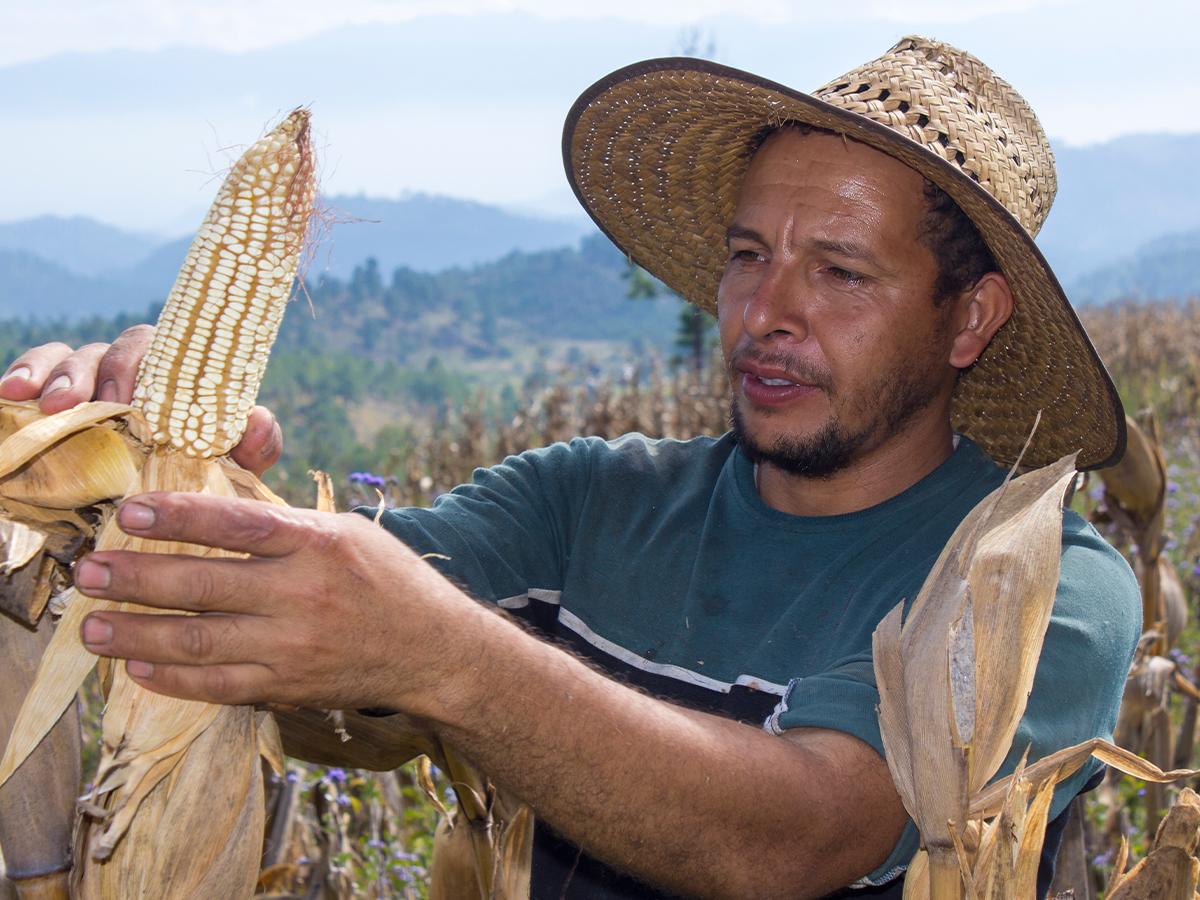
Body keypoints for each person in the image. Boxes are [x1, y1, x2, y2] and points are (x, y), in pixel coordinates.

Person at [0, 37, 1139, 898]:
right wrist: (150, 481)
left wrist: (445, 656)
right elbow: (305, 631)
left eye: (840, 272)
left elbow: (800, 837)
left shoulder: (1036, 583)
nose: (765, 312)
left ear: (970, 318)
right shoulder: (586, 500)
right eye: (749, 255)